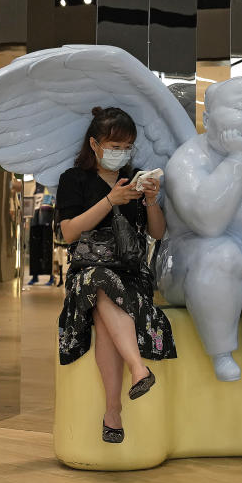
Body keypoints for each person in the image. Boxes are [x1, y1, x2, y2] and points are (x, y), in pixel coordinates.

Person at [56, 107, 176, 444]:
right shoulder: (73, 179)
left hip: (131, 273)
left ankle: (113, 411)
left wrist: (151, 201)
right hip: (88, 271)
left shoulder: (136, 177)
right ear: (94, 144)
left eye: (126, 146)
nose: (120, 153)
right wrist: (111, 200)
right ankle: (138, 370)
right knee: (99, 281)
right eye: (114, 145)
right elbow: (68, 232)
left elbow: (158, 234)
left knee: (105, 307)